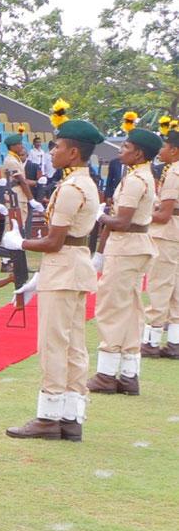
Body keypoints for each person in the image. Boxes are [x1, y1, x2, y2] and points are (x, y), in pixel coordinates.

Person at [5, 119, 104, 441]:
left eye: (59, 146)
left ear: (73, 152)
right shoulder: (84, 184)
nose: (54, 151)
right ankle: (70, 416)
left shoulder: (71, 188)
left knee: (53, 343)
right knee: (74, 345)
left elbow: (53, 242)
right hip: (74, 266)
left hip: (63, 267)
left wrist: (19, 243)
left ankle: (49, 417)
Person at [88, 125, 163, 396]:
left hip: (127, 245)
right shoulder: (143, 175)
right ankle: (129, 374)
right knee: (131, 310)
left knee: (111, 308)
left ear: (139, 152)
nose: (122, 150)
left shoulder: (134, 179)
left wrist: (99, 216)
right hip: (136, 245)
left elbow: (121, 221)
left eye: (127, 147)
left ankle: (107, 374)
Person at [146, 128, 179, 360]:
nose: (161, 150)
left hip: (168, 233)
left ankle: (152, 340)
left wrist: (142, 215)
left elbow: (164, 214)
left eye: (165, 146)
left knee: (159, 285)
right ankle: (175, 342)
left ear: (174, 150)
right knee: (176, 289)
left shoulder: (174, 173)